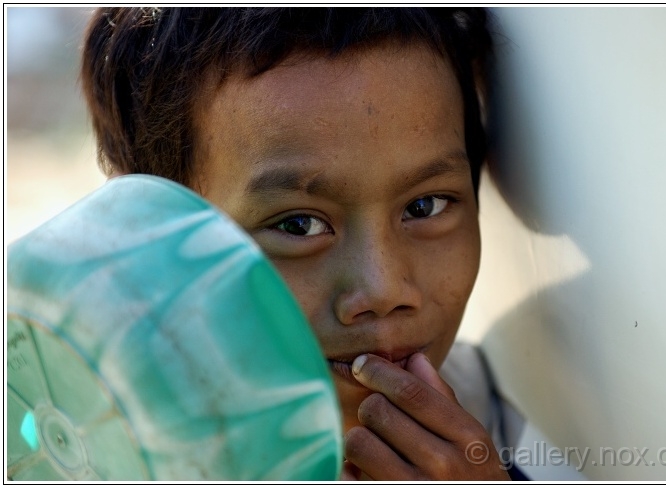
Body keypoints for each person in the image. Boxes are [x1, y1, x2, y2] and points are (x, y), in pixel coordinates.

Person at [80, 7, 510, 480]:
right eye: (298, 225)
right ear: (155, 244)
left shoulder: (531, 429)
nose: (385, 290)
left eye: (424, 206)